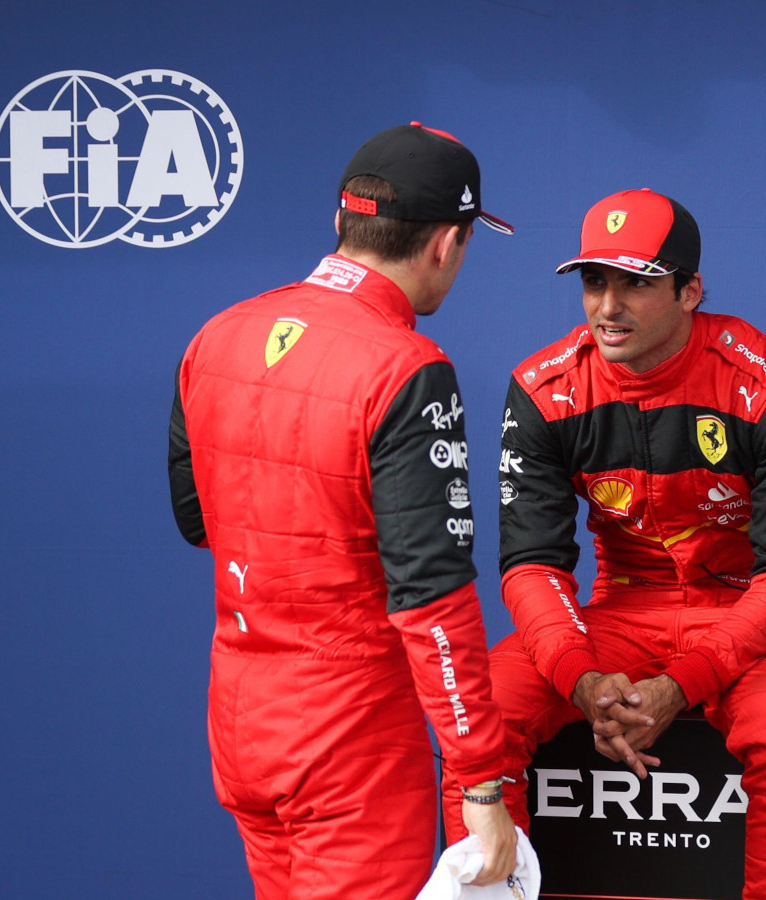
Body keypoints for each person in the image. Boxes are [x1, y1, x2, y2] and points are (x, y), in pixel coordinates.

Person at [443, 188, 766, 899]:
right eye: (595, 282)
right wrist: (581, 679)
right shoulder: (544, 390)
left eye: (637, 283)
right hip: (622, 613)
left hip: (752, 620)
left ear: (691, 291)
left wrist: (682, 684)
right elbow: (533, 566)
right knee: (487, 715)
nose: (608, 306)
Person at [170, 122, 518, 899]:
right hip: (351, 733)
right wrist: (481, 785)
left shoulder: (217, 334)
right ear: (446, 244)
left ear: (341, 222)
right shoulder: (406, 365)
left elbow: (198, 519)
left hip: (239, 719)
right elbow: (431, 594)